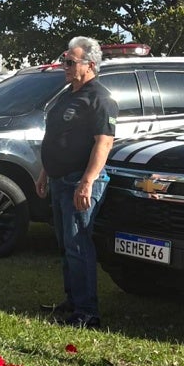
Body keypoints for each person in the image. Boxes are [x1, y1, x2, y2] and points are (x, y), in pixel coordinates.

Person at [36, 36, 117, 329]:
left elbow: (104, 143)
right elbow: (54, 138)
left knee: (78, 244)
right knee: (65, 244)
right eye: (64, 61)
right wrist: (45, 172)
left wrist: (87, 182)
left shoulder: (100, 98)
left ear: (90, 65)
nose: (64, 67)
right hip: (59, 179)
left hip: (79, 182)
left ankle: (87, 312)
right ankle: (72, 302)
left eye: (70, 62)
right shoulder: (67, 94)